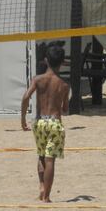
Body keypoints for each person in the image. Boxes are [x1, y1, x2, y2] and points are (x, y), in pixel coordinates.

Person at [21, 45, 70, 202]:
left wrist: (22, 119)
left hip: (40, 122)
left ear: (46, 60)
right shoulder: (64, 84)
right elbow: (65, 110)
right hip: (54, 123)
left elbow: (25, 97)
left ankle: (42, 187)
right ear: (62, 62)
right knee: (50, 160)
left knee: (41, 156)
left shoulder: (37, 79)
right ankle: (47, 197)